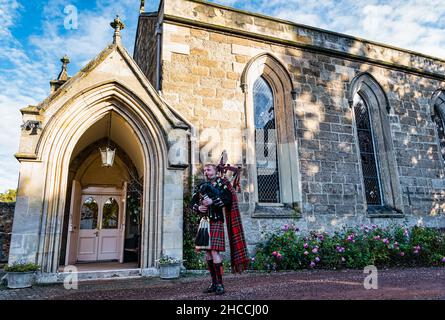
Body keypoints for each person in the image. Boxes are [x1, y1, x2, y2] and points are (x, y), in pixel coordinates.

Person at [191, 163, 249, 295]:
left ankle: (220, 284)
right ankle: (213, 283)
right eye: (205, 170)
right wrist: (198, 208)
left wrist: (213, 201)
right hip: (204, 222)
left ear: (215, 171)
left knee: (214, 252)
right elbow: (192, 201)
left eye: (209, 169)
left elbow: (228, 198)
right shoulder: (201, 186)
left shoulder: (222, 183)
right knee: (207, 253)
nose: (206, 172)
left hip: (216, 221)